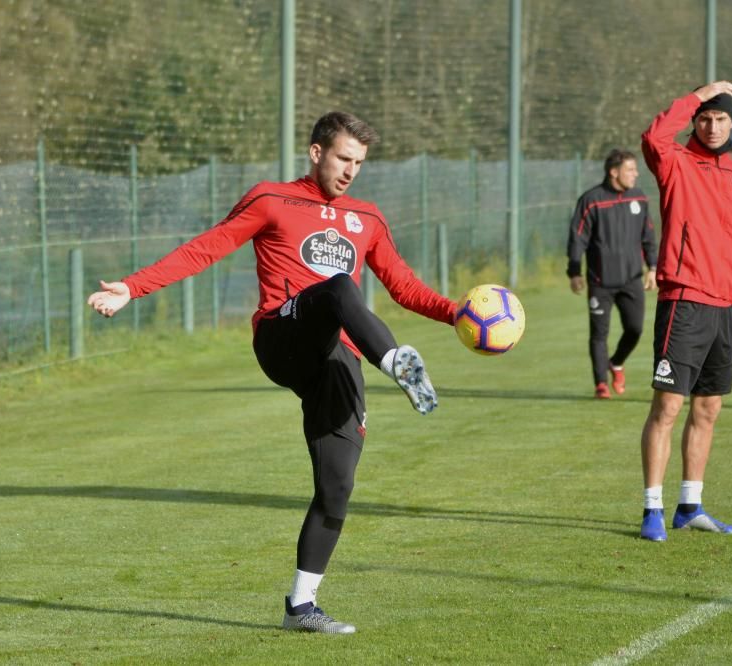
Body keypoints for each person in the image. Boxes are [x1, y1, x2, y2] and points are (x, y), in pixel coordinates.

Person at [87, 111, 457, 634]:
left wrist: (458, 313)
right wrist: (132, 286)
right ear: (316, 152)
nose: (351, 171)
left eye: (359, 162)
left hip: (338, 357)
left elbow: (405, 287)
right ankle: (396, 360)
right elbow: (207, 247)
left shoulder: (367, 218)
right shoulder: (271, 199)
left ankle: (300, 607)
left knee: (338, 485)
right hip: (283, 336)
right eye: (343, 158)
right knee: (338, 289)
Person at [637, 81, 732, 542]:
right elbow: (653, 138)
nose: (713, 127)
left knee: (708, 409)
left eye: (721, 119)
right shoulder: (675, 163)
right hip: (684, 302)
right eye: (706, 118)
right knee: (668, 406)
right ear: (695, 120)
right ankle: (652, 509)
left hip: (724, 309)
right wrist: (699, 93)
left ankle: (689, 506)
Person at [567, 149, 658, 400]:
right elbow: (578, 238)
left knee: (635, 329)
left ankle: (616, 363)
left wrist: (652, 267)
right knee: (599, 335)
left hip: (631, 280)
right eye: (630, 169)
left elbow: (648, 236)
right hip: (600, 283)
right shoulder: (591, 200)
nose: (636, 174)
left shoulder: (639, 198)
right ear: (614, 172)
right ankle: (600, 384)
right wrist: (574, 272)